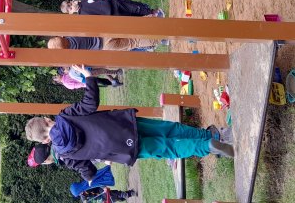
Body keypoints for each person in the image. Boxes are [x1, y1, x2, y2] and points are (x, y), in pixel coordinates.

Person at [24, 67, 234, 183]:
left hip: (124, 149)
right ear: (46, 120)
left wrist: (89, 178)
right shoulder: (65, 116)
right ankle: (208, 136)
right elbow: (90, 102)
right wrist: (88, 77)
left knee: (168, 148)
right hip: (123, 124)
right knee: (168, 129)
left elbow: (88, 171)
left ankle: (206, 146)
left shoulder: (66, 155)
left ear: (45, 140)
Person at [61, 0, 165, 18]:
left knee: (134, 8)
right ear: (70, 13)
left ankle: (153, 12)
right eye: (70, 8)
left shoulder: (84, 0)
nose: (72, 6)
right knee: (133, 16)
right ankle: (152, 17)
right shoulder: (83, 16)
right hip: (114, 15)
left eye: (70, 4)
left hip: (114, 4)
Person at [47, 36, 161, 53]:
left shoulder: (73, 53)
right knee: (131, 31)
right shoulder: (71, 34)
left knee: (134, 42)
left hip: (105, 47)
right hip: (104, 34)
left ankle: (159, 39)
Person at [53, 66, 122, 89]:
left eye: (55, 75)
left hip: (89, 71)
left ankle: (114, 81)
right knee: (103, 72)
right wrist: (87, 81)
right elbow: (78, 83)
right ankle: (117, 73)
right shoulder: (68, 79)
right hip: (88, 77)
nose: (57, 76)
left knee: (102, 72)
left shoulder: (69, 72)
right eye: (56, 77)